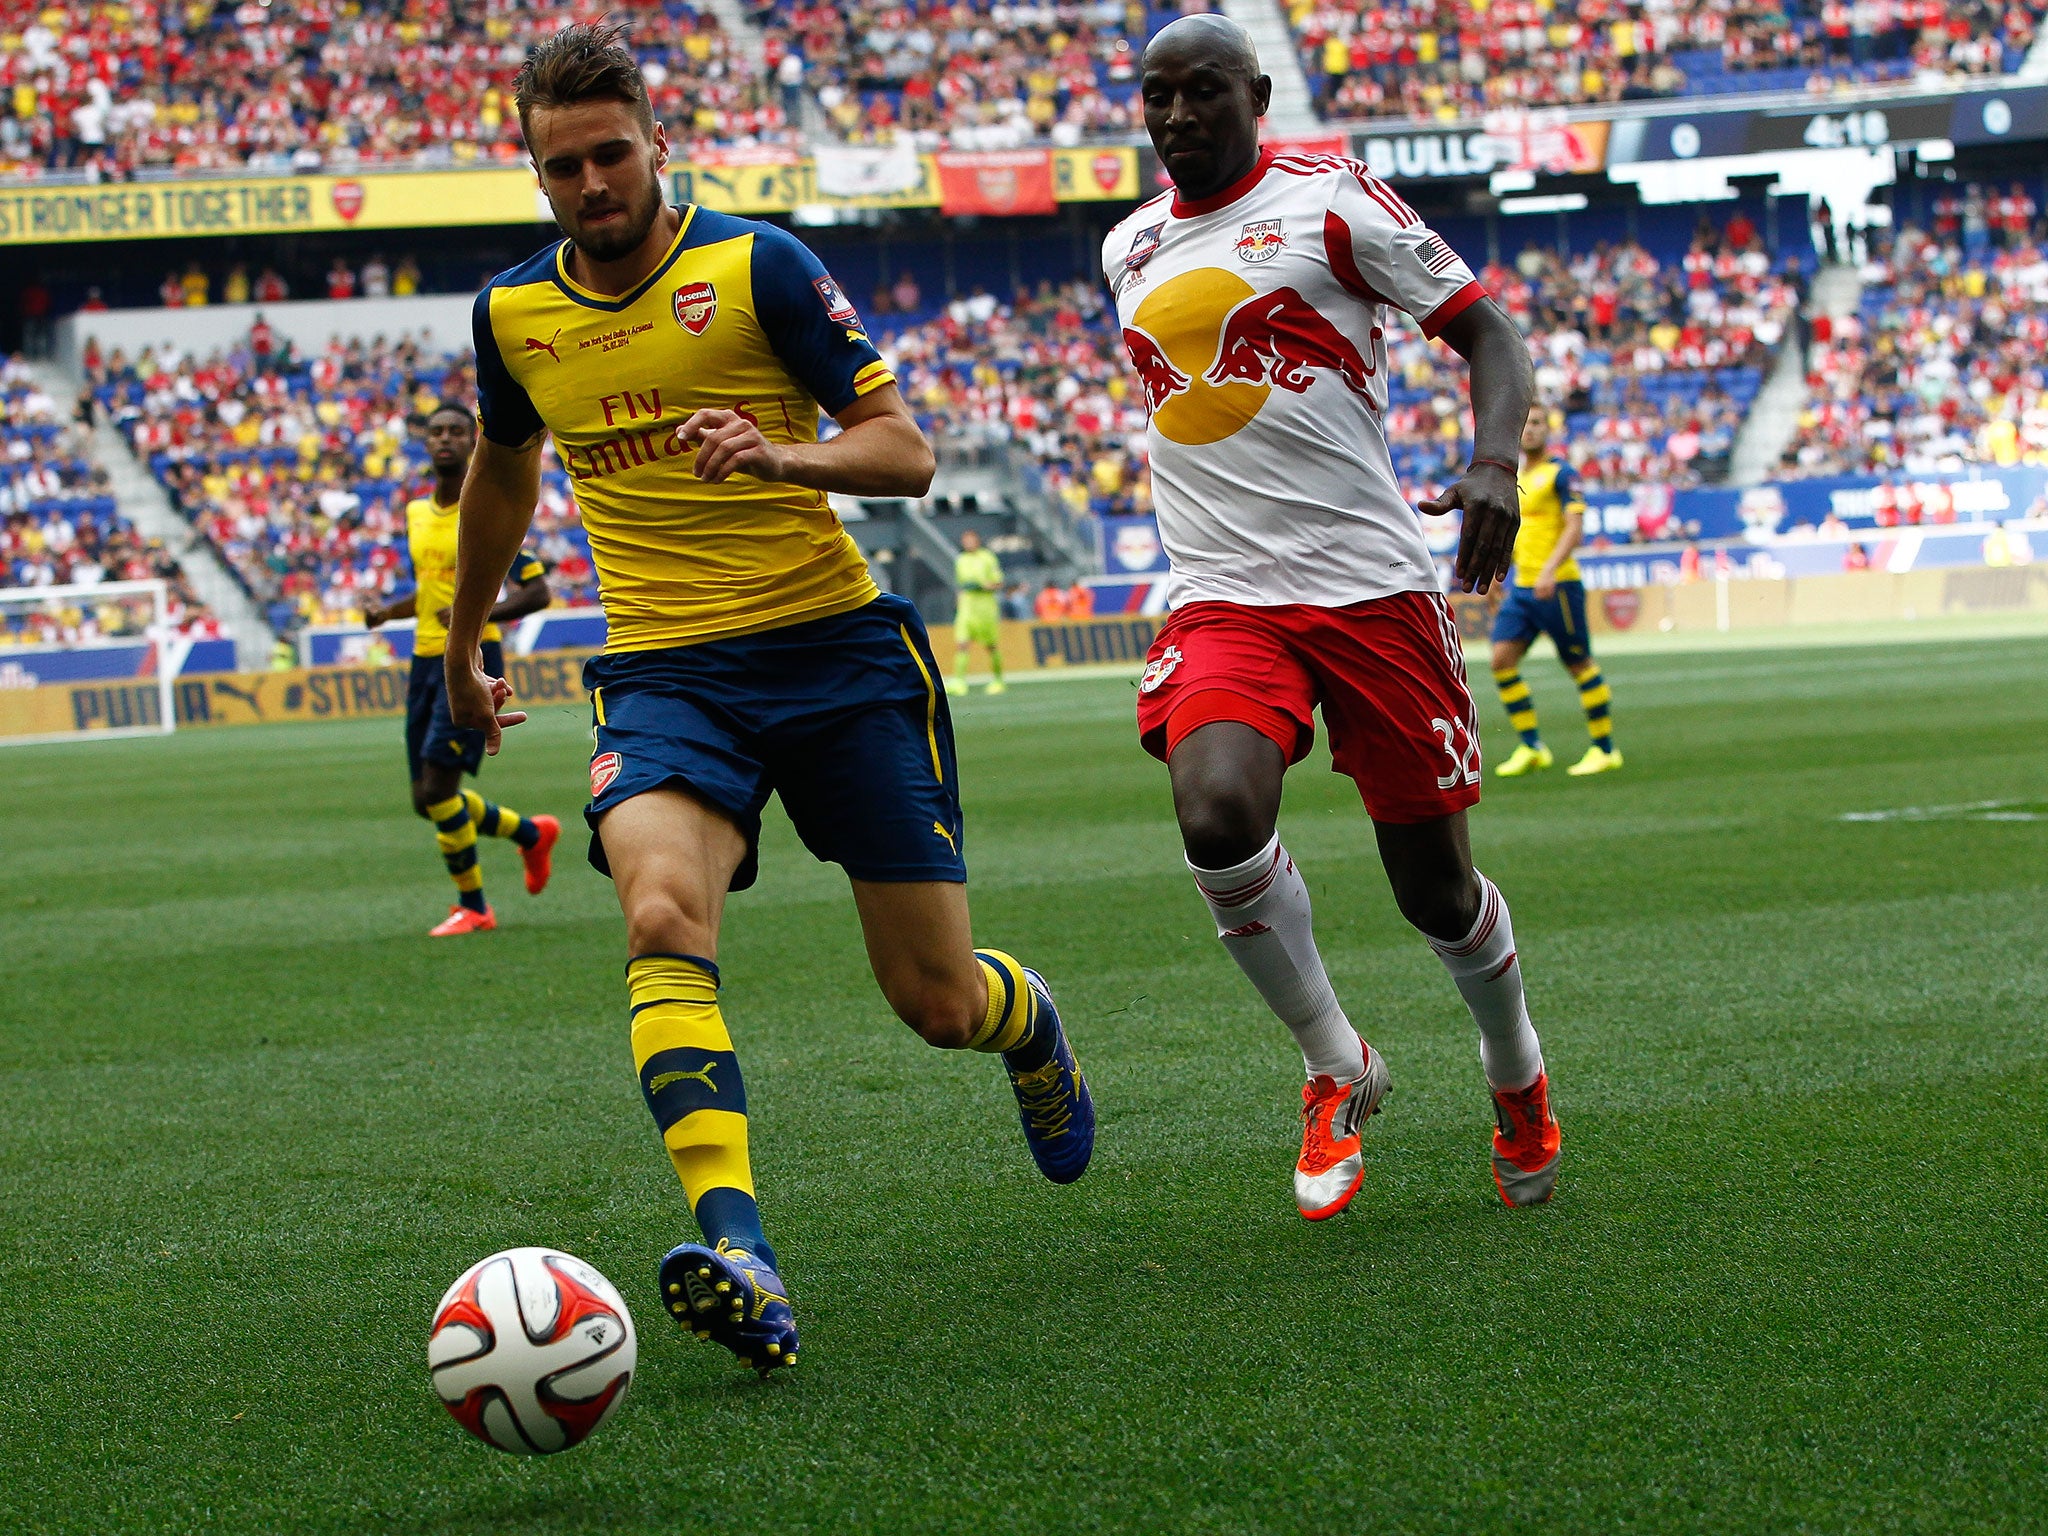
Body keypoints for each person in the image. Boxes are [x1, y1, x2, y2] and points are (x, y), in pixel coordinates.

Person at [442, 22, 1093, 1377]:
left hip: (838, 658)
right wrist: (462, 643)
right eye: (562, 166)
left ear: (656, 142)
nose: (591, 184)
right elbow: (504, 477)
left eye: (611, 153)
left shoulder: (759, 268)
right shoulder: (513, 314)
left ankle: (1023, 1017)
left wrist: (782, 457)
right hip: (671, 677)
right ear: (534, 169)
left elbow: (905, 453)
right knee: (660, 910)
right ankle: (741, 1251)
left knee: (933, 1002)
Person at [1107, 14, 1560, 1218]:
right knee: (1213, 811)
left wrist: (1493, 467)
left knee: (1433, 895)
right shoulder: (1130, 246)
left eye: (1201, 93)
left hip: (1370, 589)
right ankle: (1332, 1061)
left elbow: (1489, 334)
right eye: (1155, 97)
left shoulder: (1332, 202)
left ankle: (1512, 1066)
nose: (1175, 117)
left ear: (1255, 95)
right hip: (1220, 596)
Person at [364, 403, 559, 935]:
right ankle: (530, 835)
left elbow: (539, 591)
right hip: (426, 660)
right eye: (436, 431)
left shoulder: (487, 509)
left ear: (473, 442)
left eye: (457, 431)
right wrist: (388, 611)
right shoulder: (415, 514)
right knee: (425, 799)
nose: (446, 439)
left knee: (437, 790)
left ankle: (474, 907)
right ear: (426, 444)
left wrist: (477, 614)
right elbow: (431, 591)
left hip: (473, 658)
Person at [1490, 404, 1622, 778]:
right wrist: (1500, 574)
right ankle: (1532, 747)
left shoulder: (1562, 474)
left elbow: (1574, 528)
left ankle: (1604, 749)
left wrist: (1549, 570)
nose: (1530, 430)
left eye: (1537, 424)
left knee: (1579, 664)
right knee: (1501, 660)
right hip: (1523, 587)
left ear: (1549, 431)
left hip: (1558, 584)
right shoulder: (1514, 476)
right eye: (1525, 424)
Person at [949, 527, 1005, 695]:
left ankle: (998, 679)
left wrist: (988, 585)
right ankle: (959, 682)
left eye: (971, 540)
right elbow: (960, 585)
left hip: (985, 607)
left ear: (977, 541)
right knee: (962, 643)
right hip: (967, 606)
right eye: (965, 540)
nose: (968, 543)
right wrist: (958, 601)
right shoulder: (960, 560)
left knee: (991, 646)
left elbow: (998, 582)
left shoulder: (987, 558)